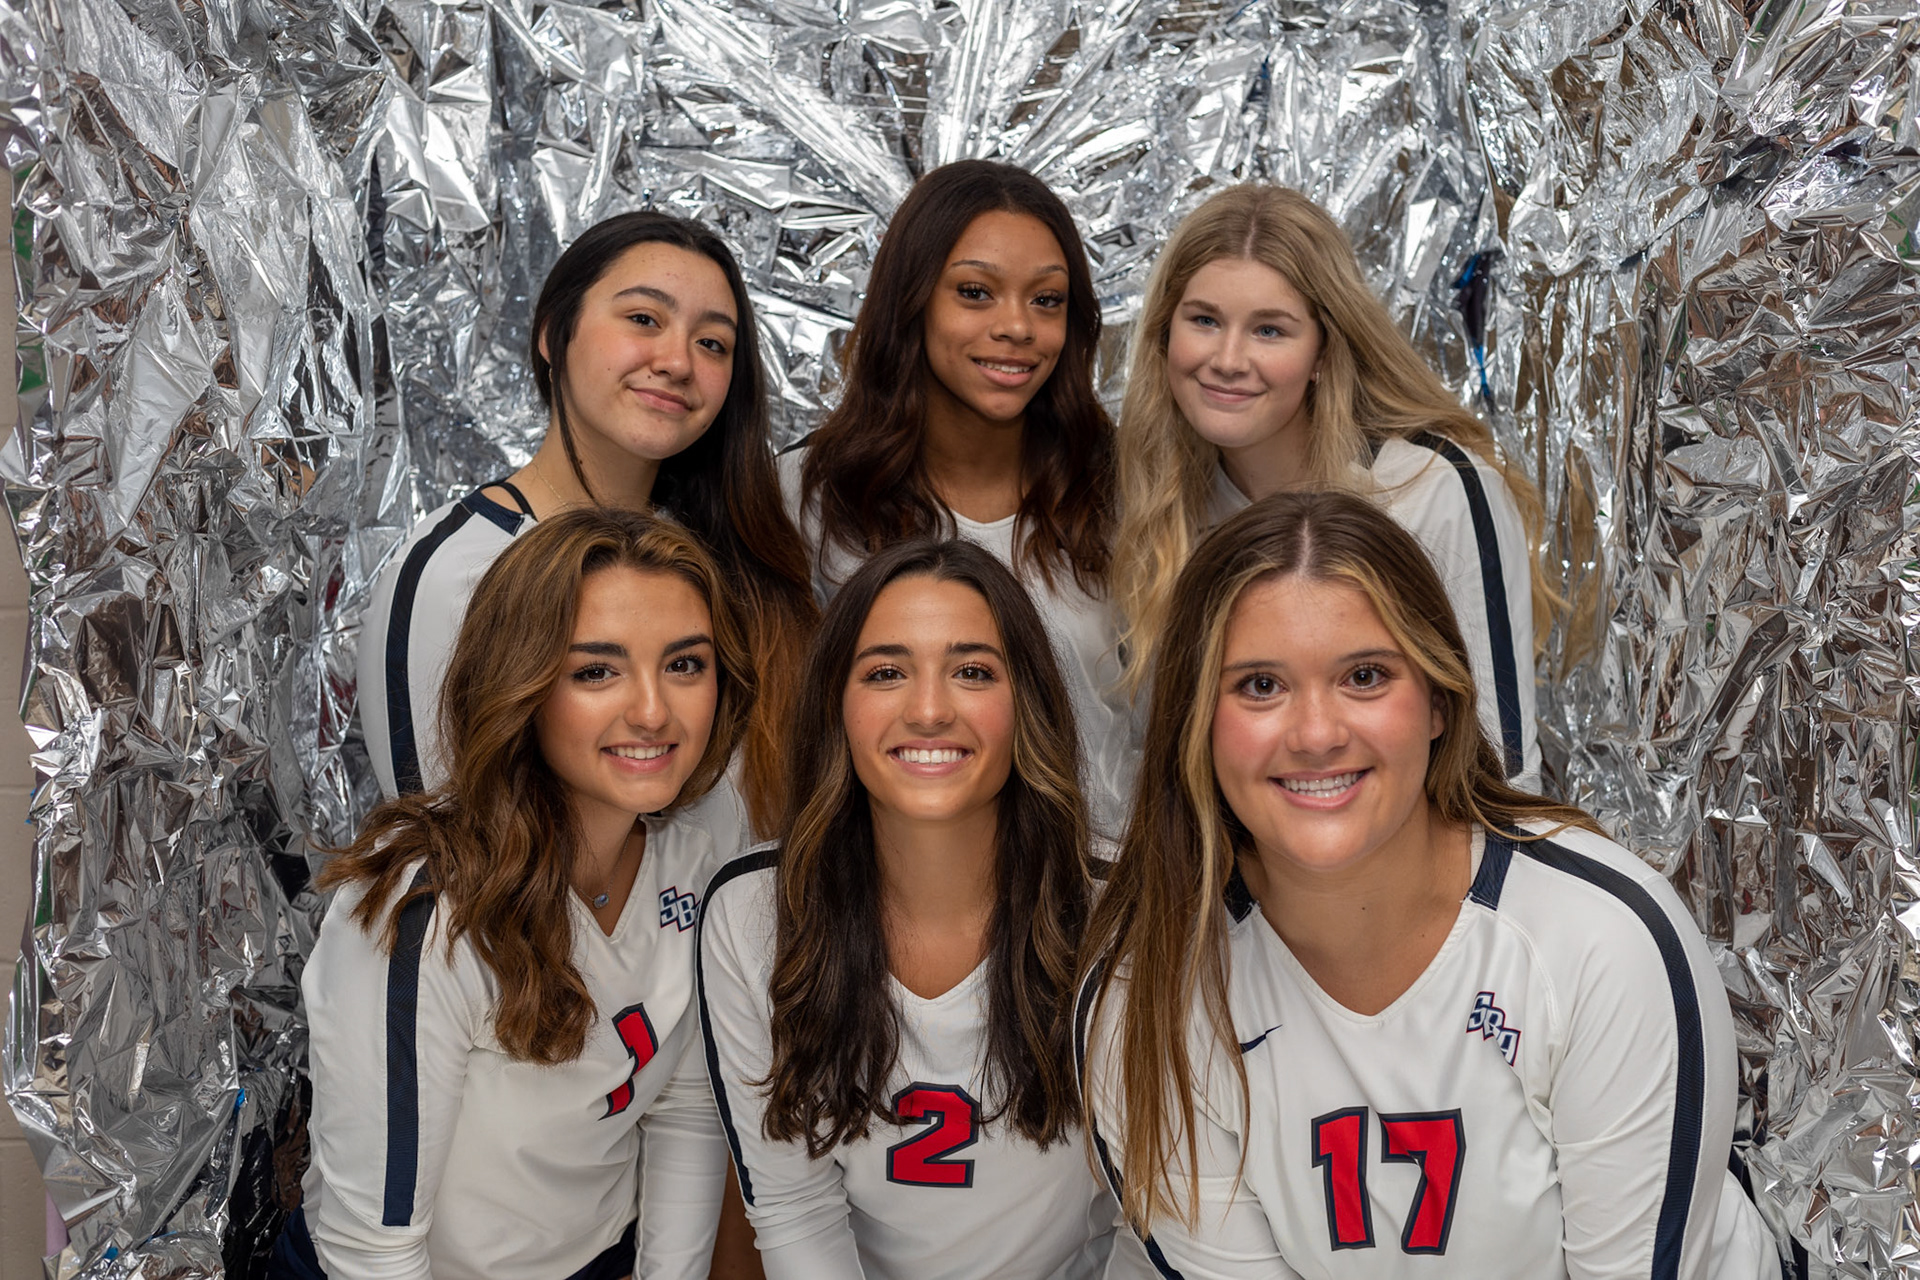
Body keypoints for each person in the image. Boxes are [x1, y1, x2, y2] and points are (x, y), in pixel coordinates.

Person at [1077, 491, 1781, 1278]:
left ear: (1439, 702)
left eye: (1365, 676)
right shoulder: (1150, 988)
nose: (1316, 734)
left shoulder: (1599, 942)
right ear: (1194, 720)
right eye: (1260, 687)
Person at [280, 510, 750, 1280]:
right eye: (597, 670)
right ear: (521, 684)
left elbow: (687, 1111)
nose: (654, 711)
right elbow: (372, 1250)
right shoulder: (425, 912)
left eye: (685, 665)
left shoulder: (697, 868)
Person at [698, 539, 1151, 1279]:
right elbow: (794, 1211)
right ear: (835, 706)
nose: (931, 710)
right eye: (886, 672)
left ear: (1025, 702)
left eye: (972, 671)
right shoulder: (752, 916)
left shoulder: (1119, 914)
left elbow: (1154, 1217)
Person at [359, 209, 815, 839]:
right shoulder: (457, 571)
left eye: (712, 343)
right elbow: (444, 863)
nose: (678, 362)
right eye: (643, 320)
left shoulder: (739, 560)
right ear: (553, 333)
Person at [1111, 184, 1545, 786]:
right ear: (1165, 335)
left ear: (1322, 351)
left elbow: (1504, 771)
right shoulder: (1155, 506)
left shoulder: (1432, 490)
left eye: (1269, 330)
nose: (1228, 359)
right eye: (1205, 320)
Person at [781, 159, 1134, 836]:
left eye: (1047, 299)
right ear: (912, 300)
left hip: (1102, 893)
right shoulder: (808, 497)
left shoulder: (1123, 494)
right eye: (976, 292)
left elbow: (1168, 722)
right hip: (886, 895)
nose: (1017, 327)